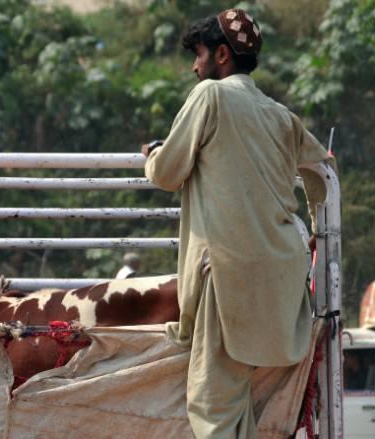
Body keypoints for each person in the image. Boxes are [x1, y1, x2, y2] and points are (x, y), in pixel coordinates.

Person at [142, 9, 336, 438]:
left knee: (212, 406)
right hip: (283, 284)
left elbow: (167, 173)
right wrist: (318, 232)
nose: (195, 67)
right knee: (237, 405)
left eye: (199, 54)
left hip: (231, 276)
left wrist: (152, 154)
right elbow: (324, 173)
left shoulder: (210, 96)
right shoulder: (281, 115)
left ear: (222, 55)